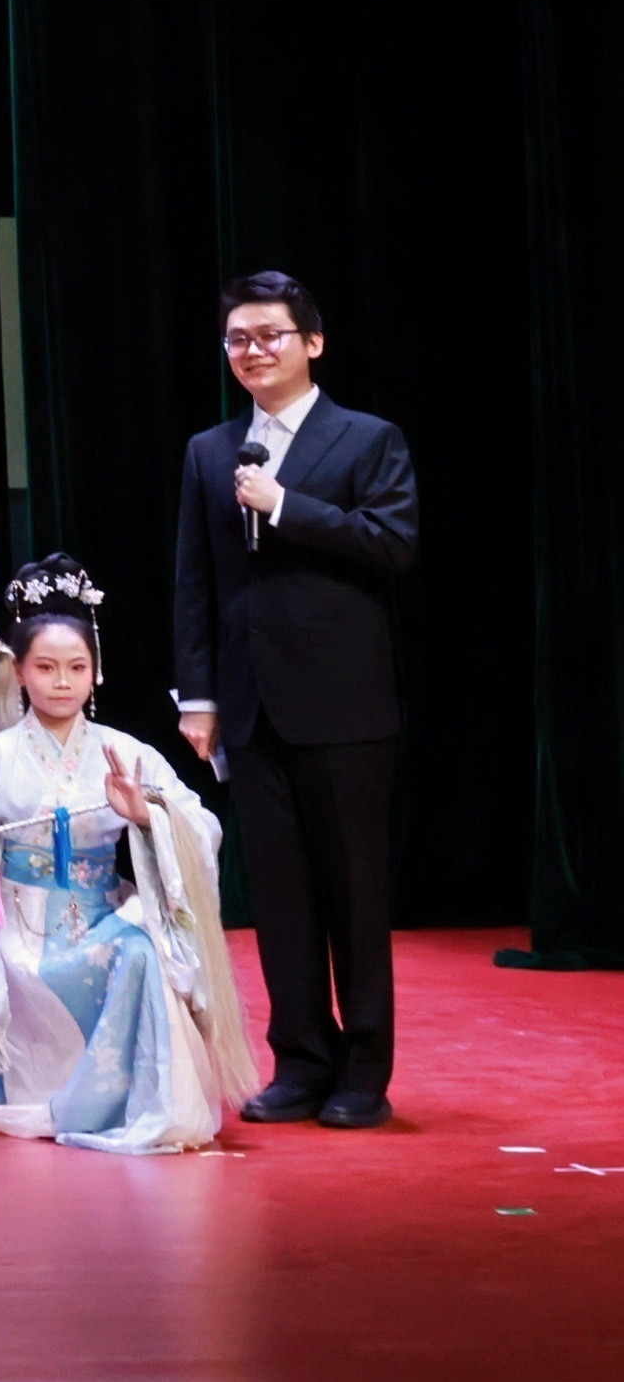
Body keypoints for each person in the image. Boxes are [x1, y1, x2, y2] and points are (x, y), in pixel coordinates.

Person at [171, 268, 419, 1129]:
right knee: (279, 895)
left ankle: (364, 1071)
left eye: (270, 334)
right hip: (249, 705)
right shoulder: (211, 451)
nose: (253, 350)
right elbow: (195, 583)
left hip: (344, 705)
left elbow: (392, 543)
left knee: (354, 891)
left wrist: (285, 506)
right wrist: (198, 695)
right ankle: (302, 1060)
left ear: (312, 342)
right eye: (238, 338)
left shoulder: (367, 439)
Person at [0, 557, 254, 1154]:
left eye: (76, 667)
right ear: (20, 672)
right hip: (17, 931)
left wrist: (147, 815)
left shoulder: (125, 752)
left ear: (96, 670)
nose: (62, 682)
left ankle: (136, 1100)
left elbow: (203, 827)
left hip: (101, 914)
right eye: (45, 667)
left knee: (143, 949)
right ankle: (56, 1092)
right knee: (79, 958)